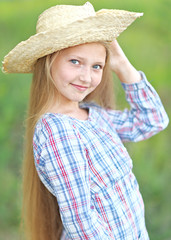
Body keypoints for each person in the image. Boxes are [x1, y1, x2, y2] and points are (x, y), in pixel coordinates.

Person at [2, 2, 169, 240]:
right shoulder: (58, 131)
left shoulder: (92, 115)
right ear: (48, 61)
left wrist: (122, 65)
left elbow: (152, 120)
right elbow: (82, 224)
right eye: (75, 62)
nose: (87, 77)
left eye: (97, 66)